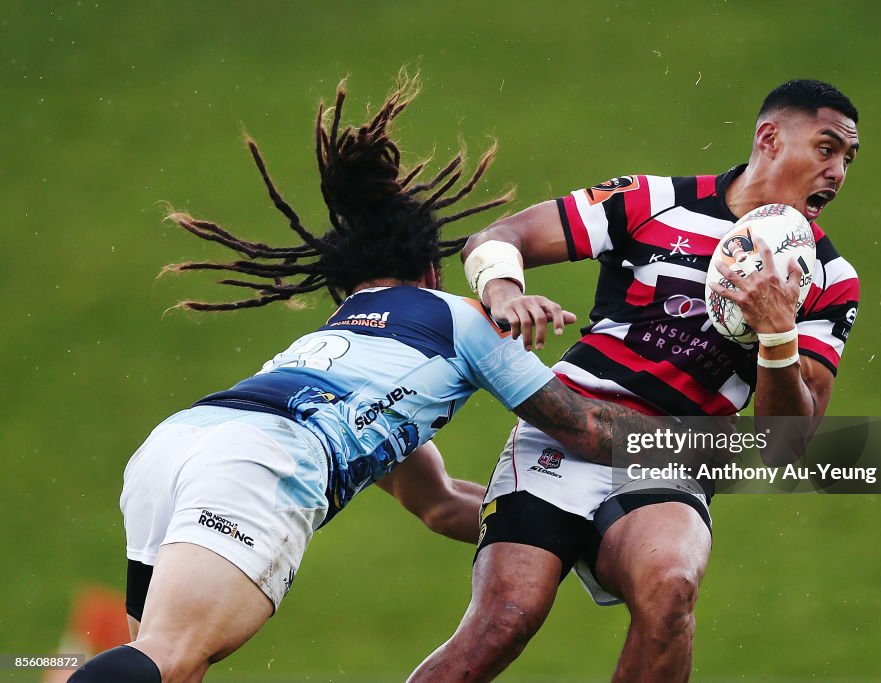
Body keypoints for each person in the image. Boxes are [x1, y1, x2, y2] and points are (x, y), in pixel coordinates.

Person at [69, 75, 702, 683]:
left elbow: (442, 504)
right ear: (431, 267)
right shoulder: (459, 318)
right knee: (170, 657)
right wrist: (742, 447)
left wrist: (557, 526)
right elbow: (588, 428)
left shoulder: (339, 353)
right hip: (265, 461)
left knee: (170, 667)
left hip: (180, 442)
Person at [411, 79, 861, 682]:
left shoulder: (829, 278)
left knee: (670, 591)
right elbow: (500, 237)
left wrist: (777, 334)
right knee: (502, 624)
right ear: (770, 138)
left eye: (847, 160)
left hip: (671, 455)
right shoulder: (653, 201)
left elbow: (787, 443)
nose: (837, 172)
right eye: (827, 149)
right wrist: (503, 291)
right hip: (563, 433)